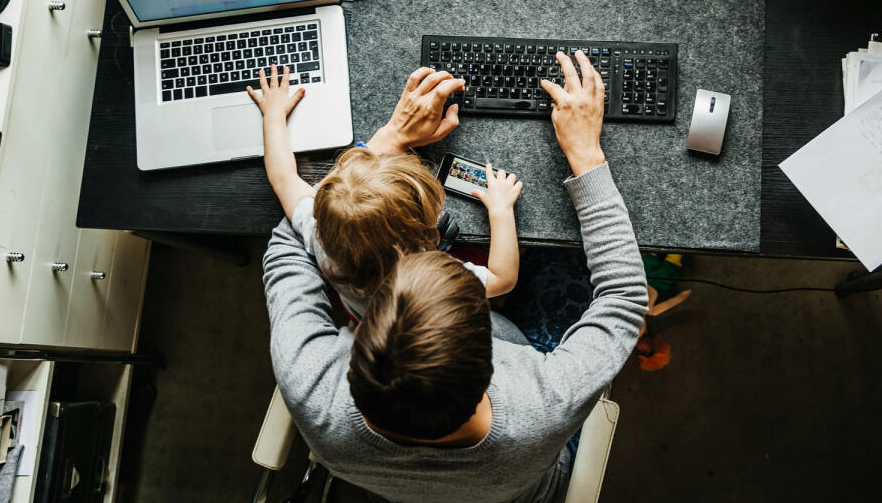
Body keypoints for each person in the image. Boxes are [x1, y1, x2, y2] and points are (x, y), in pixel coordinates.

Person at [261, 52, 648, 502]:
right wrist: (585, 153)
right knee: (563, 267)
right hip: (530, 487)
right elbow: (622, 299)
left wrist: (387, 144)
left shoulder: (308, 385)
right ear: (491, 361)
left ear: (359, 339)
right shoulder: (542, 402)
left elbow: (290, 238)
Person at [246, 65, 524, 318]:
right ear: (428, 236)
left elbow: (282, 177)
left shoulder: (319, 230)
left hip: (365, 314)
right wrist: (501, 211)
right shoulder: (432, 278)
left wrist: (272, 115)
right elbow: (503, 279)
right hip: (422, 314)